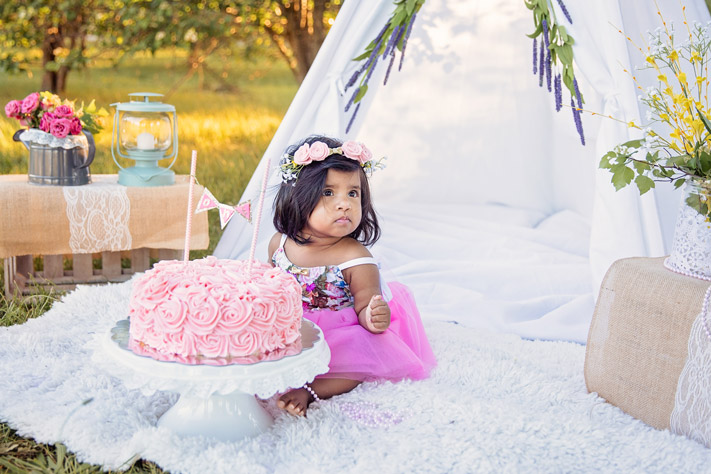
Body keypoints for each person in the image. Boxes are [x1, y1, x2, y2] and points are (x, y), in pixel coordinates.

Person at [269, 135, 436, 416]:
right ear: (298, 196)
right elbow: (273, 286)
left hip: (338, 330)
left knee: (359, 354)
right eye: (329, 193)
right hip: (294, 323)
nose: (344, 204)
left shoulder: (354, 258)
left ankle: (312, 390)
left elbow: (364, 304)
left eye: (353, 193)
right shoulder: (280, 244)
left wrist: (373, 316)